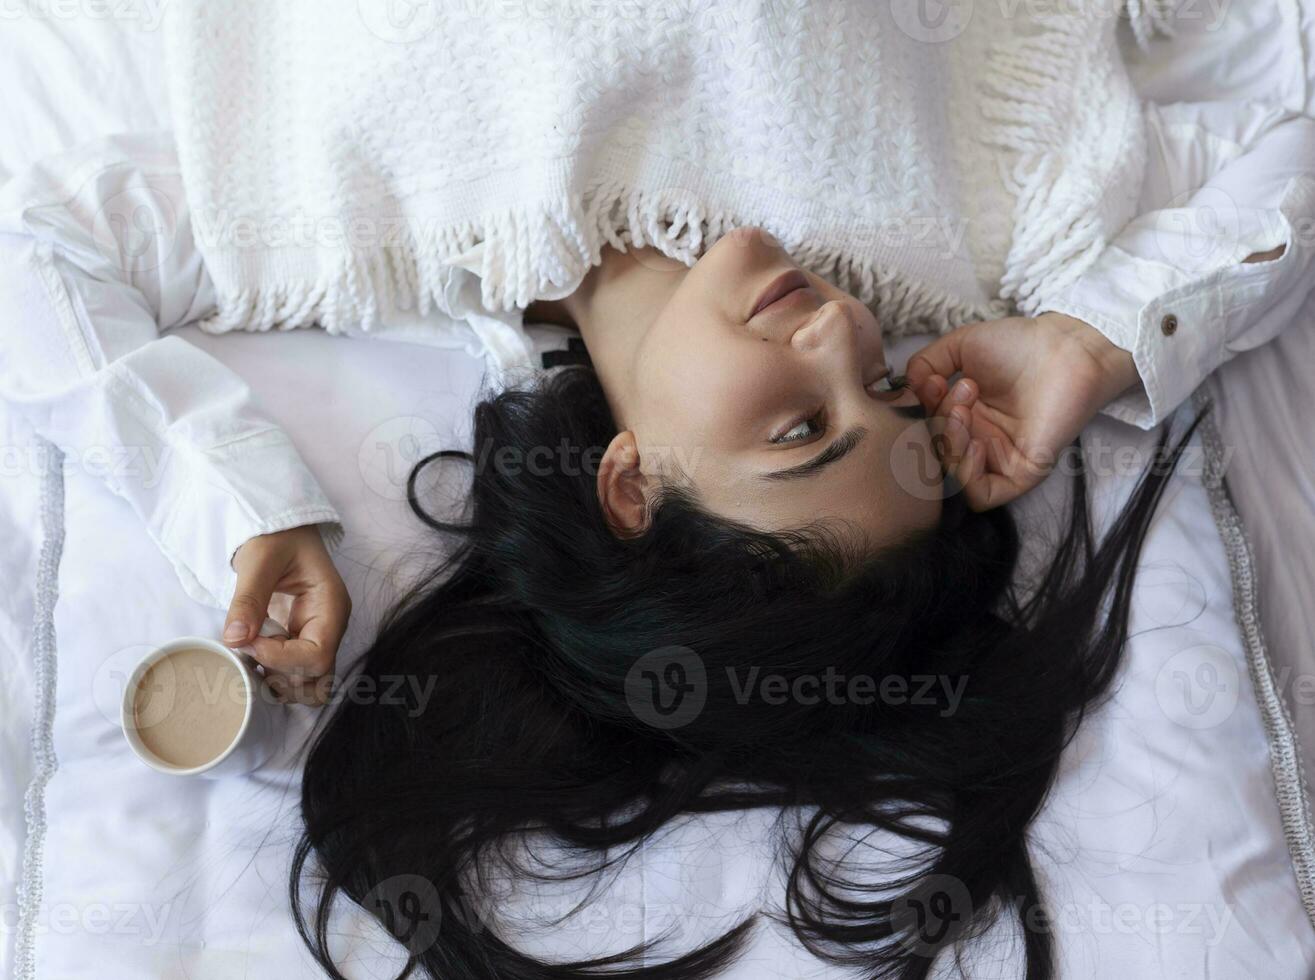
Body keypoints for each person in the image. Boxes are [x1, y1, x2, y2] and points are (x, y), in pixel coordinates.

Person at [0, 1, 1311, 974]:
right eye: (893, 396)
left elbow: (30, 250)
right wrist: (1088, 336)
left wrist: (247, 507)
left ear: (630, 487)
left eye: (802, 426)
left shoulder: (329, 216)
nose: (849, 339)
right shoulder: (991, 217)